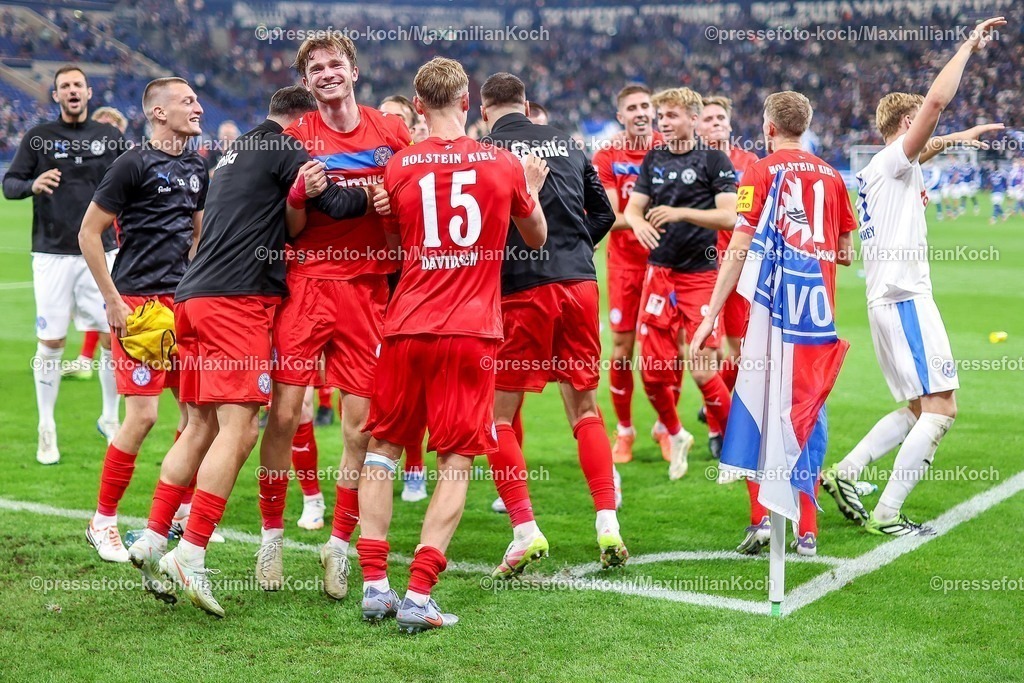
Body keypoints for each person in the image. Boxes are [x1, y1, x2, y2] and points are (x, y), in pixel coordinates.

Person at [124, 86, 375, 615]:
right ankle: (191, 552)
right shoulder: (287, 146)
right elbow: (334, 203)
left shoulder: (235, 151)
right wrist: (379, 188)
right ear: (302, 121)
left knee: (199, 426)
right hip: (236, 303)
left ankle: (152, 536)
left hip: (192, 298)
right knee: (239, 430)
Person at [352, 57, 547, 632]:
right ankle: (418, 594)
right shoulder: (502, 162)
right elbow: (535, 238)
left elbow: (394, 242)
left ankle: (374, 586)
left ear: (417, 106)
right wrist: (531, 190)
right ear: (467, 103)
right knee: (456, 461)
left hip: (405, 325)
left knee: (382, 452)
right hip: (470, 331)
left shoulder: (399, 166)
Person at [822, 17, 1006, 537]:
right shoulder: (893, 161)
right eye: (919, 123)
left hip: (887, 299)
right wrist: (967, 47)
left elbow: (924, 145)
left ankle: (847, 471)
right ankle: (887, 513)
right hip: (905, 297)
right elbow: (936, 103)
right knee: (942, 409)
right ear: (907, 122)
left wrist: (958, 138)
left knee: (916, 406)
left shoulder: (879, 167)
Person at [254, 36, 411, 602]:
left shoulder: (391, 132)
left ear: (353, 71)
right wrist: (298, 196)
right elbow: (289, 225)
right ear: (306, 80)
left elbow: (415, 203)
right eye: (315, 68)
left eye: (334, 64)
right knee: (284, 414)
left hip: (368, 292)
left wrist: (395, 203)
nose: (326, 73)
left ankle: (338, 544)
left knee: (359, 427)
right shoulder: (296, 138)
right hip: (307, 285)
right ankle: (271, 536)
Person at [691, 90, 857, 556]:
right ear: (806, 126)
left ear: (768, 129)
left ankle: (762, 516)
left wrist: (710, 314)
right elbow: (846, 253)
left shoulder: (759, 171)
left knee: (761, 404)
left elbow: (740, 244)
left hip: (772, 312)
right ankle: (808, 528)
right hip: (816, 313)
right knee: (809, 412)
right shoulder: (832, 175)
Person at [476, 72, 624, 576]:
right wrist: (574, 250)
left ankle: (524, 530)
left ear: (484, 111)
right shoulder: (568, 144)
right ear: (526, 105)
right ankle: (608, 523)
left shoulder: (484, 152)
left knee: (497, 417)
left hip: (521, 288)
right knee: (584, 408)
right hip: (580, 284)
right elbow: (603, 214)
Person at [78, 77, 208, 562]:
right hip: (137, 303)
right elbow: (89, 233)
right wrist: (112, 300)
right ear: (158, 112)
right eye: (187, 101)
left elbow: (198, 237)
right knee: (144, 415)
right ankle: (102, 520)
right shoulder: (132, 164)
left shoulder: (197, 166)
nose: (198, 107)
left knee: (197, 415)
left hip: (182, 304)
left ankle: (179, 513)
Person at [2, 65, 126, 463]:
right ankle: (46, 427)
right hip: (52, 253)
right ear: (55, 95)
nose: (72, 91)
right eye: (64, 86)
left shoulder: (110, 138)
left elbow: (133, 185)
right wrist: (32, 184)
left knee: (113, 336)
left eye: (77, 85)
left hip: (102, 253)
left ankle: (110, 418)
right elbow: (9, 184)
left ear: (88, 92)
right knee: (52, 341)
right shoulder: (38, 138)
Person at [623, 87, 737, 480]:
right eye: (662, 117)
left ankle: (736, 451)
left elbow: (729, 217)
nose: (664, 123)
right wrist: (637, 222)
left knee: (703, 369)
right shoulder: (654, 157)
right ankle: (676, 433)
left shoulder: (713, 159)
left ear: (692, 117)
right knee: (652, 372)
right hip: (659, 275)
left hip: (700, 276)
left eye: (671, 116)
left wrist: (680, 213)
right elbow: (633, 207)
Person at [591, 85, 663, 463]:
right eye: (631, 107)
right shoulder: (608, 155)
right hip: (625, 266)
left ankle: (666, 428)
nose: (640, 112)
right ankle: (625, 431)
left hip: (667, 263)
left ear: (653, 111)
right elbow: (609, 215)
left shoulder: (670, 149)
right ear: (620, 116)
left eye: (645, 106)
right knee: (621, 352)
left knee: (665, 352)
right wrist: (643, 220)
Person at [696, 95, 760, 457]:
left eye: (721, 117)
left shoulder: (748, 163)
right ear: (697, 125)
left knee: (737, 350)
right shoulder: (689, 163)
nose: (717, 122)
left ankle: (713, 408)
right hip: (698, 269)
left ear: (731, 124)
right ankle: (717, 427)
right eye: (709, 118)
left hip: (738, 267)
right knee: (705, 350)